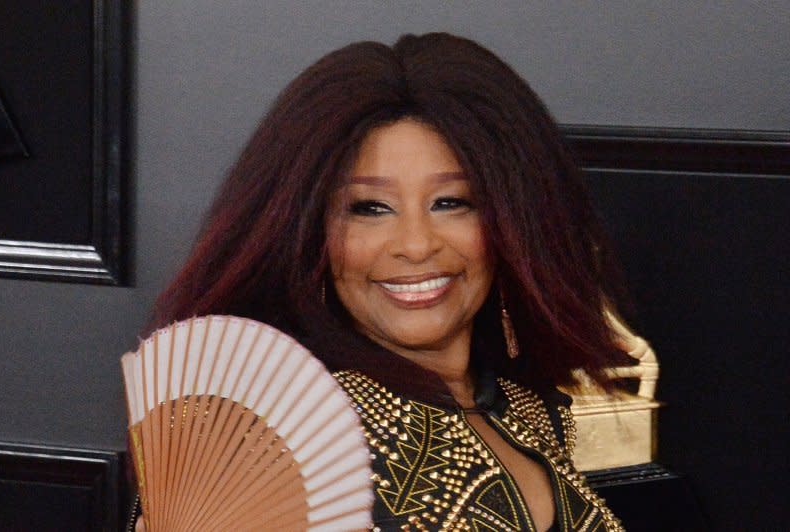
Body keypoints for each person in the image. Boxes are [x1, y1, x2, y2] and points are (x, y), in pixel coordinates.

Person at [142, 32, 628, 531]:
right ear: (306, 232)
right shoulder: (263, 437)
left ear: (514, 220)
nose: (415, 245)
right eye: (369, 209)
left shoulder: (529, 410)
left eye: (452, 202)